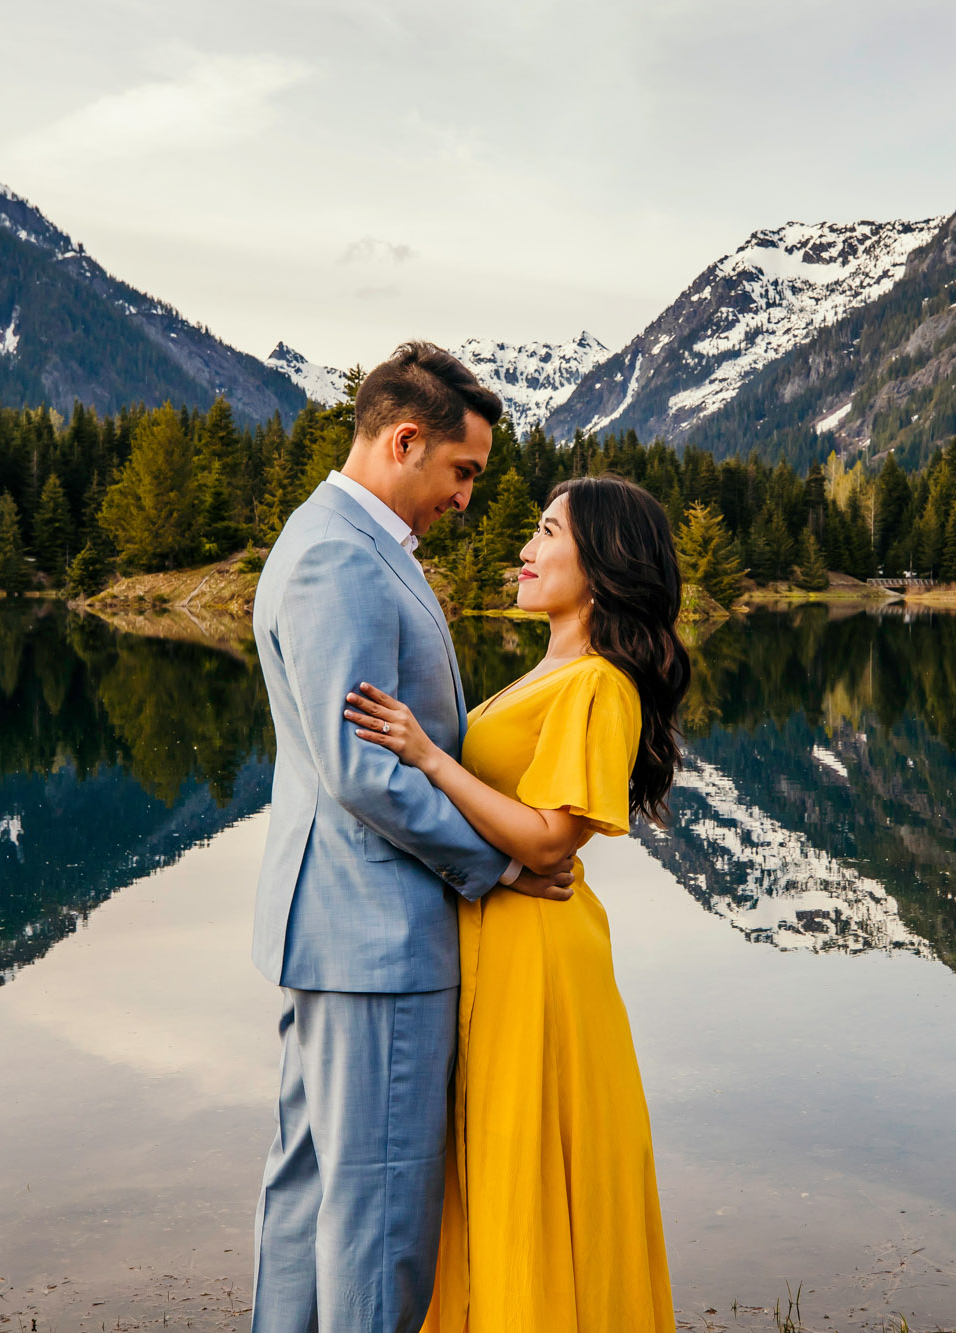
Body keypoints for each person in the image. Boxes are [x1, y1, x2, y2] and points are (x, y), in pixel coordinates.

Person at [249, 341, 575, 1333]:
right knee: (379, 1220)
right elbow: (361, 768)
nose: (468, 497)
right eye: (462, 471)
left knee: (313, 1197)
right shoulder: (338, 559)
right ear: (402, 440)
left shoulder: (344, 544)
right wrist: (501, 863)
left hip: (338, 932)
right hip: (376, 941)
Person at [341, 473, 691, 1332]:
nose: (525, 551)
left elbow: (547, 839)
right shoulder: (552, 669)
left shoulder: (600, 683)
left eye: (545, 532)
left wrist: (428, 755)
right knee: (495, 1160)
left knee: (524, 1160)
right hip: (501, 945)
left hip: (540, 958)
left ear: (604, 563)